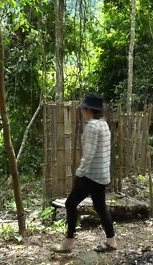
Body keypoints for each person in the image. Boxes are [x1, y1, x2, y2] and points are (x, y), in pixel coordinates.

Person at [51, 94, 117, 253]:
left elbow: (89, 154)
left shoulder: (92, 127)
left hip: (91, 175)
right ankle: (112, 242)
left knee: (70, 204)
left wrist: (79, 174)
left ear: (89, 110)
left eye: (84, 109)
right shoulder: (103, 125)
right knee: (100, 207)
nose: (82, 111)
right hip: (101, 175)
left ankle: (68, 243)